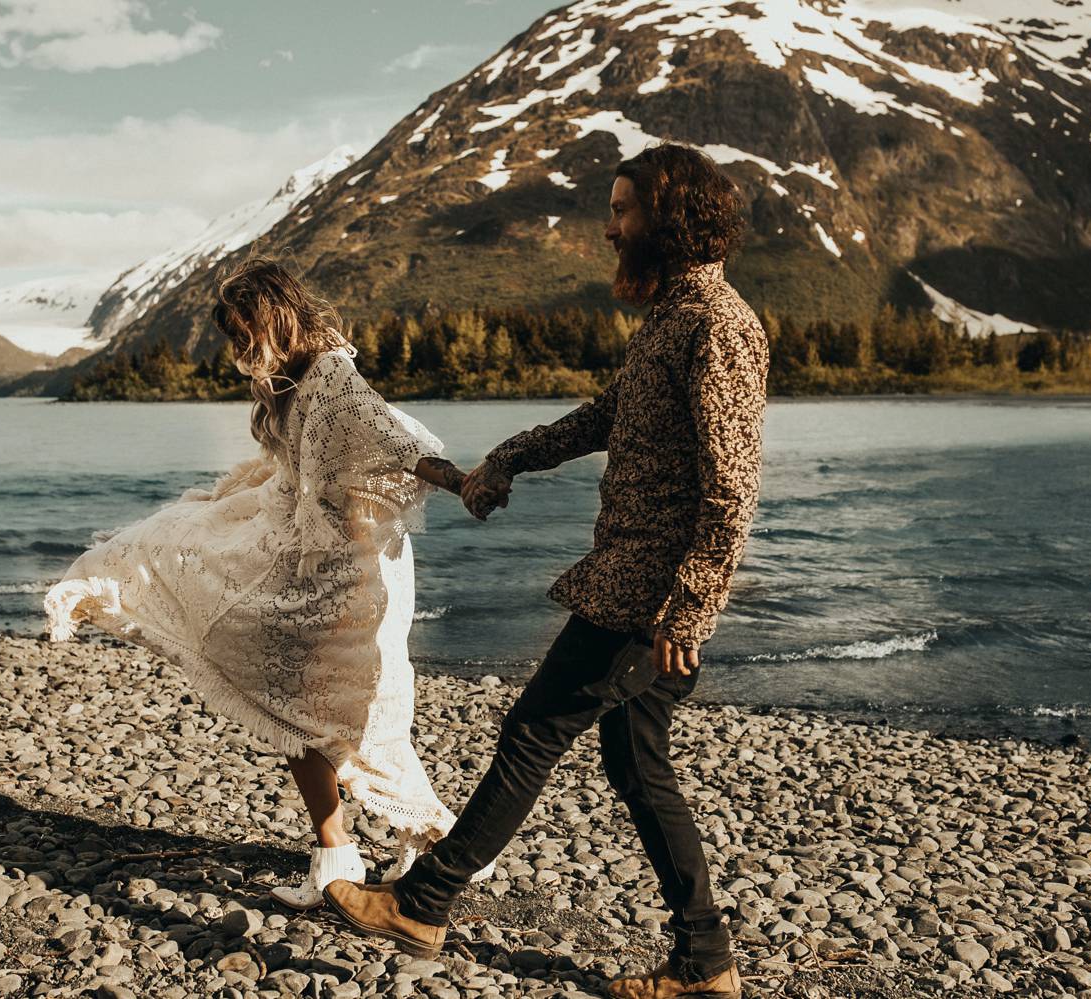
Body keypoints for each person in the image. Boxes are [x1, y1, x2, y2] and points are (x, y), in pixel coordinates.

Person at [323, 143, 769, 999]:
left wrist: (688, 610)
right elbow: (610, 415)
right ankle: (706, 964)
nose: (609, 228)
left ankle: (424, 901)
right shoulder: (677, 315)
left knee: (533, 731)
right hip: (633, 574)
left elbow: (732, 486)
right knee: (637, 764)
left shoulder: (719, 324)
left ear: (668, 219)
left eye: (624, 210)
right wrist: (511, 457)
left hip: (648, 590)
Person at [44, 256, 490, 910]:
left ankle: (410, 839)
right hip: (298, 543)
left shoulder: (333, 379)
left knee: (324, 703)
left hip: (339, 564)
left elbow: (401, 446)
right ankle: (349, 850)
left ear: (274, 317)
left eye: (242, 330)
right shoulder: (287, 375)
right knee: (296, 699)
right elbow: (296, 459)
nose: (237, 347)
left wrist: (466, 483)